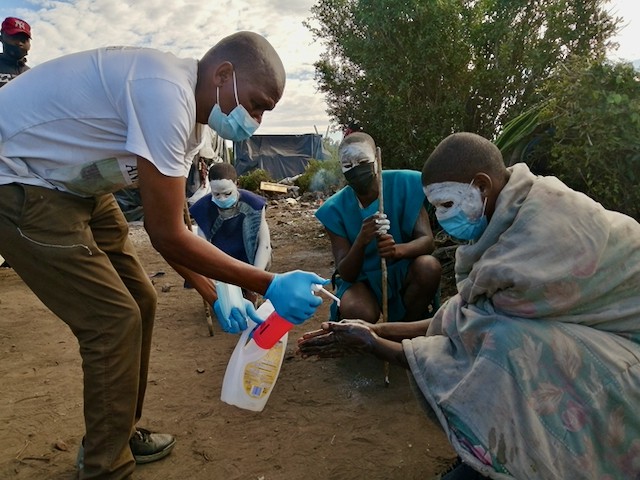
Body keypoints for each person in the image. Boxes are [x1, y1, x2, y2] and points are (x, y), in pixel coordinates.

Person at [0, 31, 327, 479]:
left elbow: (173, 224)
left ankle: (116, 432)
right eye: (256, 104)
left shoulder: (192, 124)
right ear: (223, 74)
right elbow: (165, 234)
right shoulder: (165, 93)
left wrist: (213, 293)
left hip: (77, 185)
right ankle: (105, 468)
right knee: (111, 320)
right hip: (17, 179)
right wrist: (268, 283)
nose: (256, 119)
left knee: (142, 301)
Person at [299, 132, 640, 479]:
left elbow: (475, 334)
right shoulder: (520, 209)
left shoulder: (538, 240)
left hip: (627, 357)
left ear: (481, 185)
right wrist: (375, 329)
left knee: (506, 347)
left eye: (446, 205)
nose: (443, 217)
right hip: (604, 335)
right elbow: (461, 312)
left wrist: (374, 343)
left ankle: (538, 452)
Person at [314, 131, 441, 324]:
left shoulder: (405, 184)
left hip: (402, 269)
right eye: (347, 165)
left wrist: (397, 250)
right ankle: (367, 332)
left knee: (429, 267)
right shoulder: (334, 209)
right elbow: (346, 272)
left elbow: (427, 241)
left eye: (363, 162)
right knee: (356, 309)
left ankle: (401, 329)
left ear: (377, 159)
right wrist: (362, 240)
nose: (356, 170)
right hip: (362, 279)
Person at [185, 161, 272, 327]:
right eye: (216, 194)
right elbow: (203, 248)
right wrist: (217, 286)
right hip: (220, 256)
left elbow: (264, 244)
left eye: (227, 193)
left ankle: (250, 293)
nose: (222, 198)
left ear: (236, 184)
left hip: (248, 252)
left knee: (258, 266)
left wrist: (255, 279)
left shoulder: (254, 204)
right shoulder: (202, 208)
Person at [0, 16, 31, 88]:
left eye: (24, 39)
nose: (20, 43)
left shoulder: (32, 74)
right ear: (1, 38)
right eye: (14, 37)